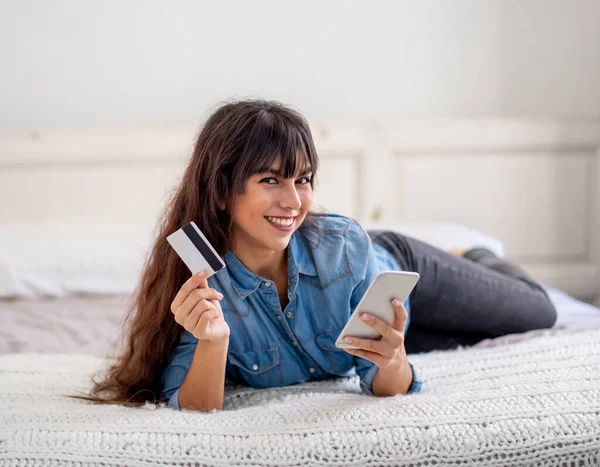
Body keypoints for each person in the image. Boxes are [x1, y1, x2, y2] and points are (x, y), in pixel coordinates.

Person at [72, 99, 556, 412]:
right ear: (221, 191)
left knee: (539, 311)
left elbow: (383, 383)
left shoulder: (343, 246)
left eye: (301, 179)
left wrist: (390, 361)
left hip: (389, 267)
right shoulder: (201, 284)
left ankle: (469, 253)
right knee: (455, 338)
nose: (293, 202)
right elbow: (195, 408)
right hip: (372, 314)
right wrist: (214, 342)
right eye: (270, 180)